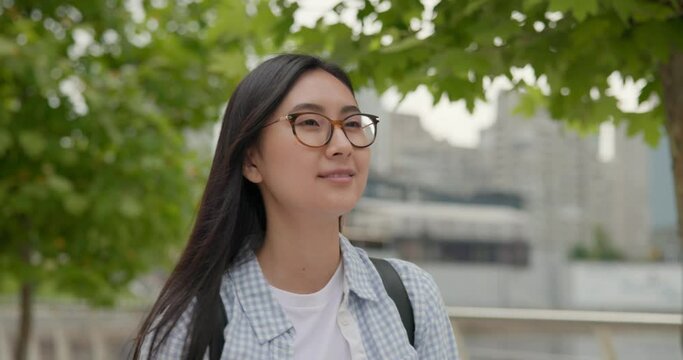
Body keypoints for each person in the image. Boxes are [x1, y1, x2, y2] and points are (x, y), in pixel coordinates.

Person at [133, 54, 459, 359]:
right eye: (310, 123)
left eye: (352, 124)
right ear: (251, 160)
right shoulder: (193, 323)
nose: (342, 145)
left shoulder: (410, 296)